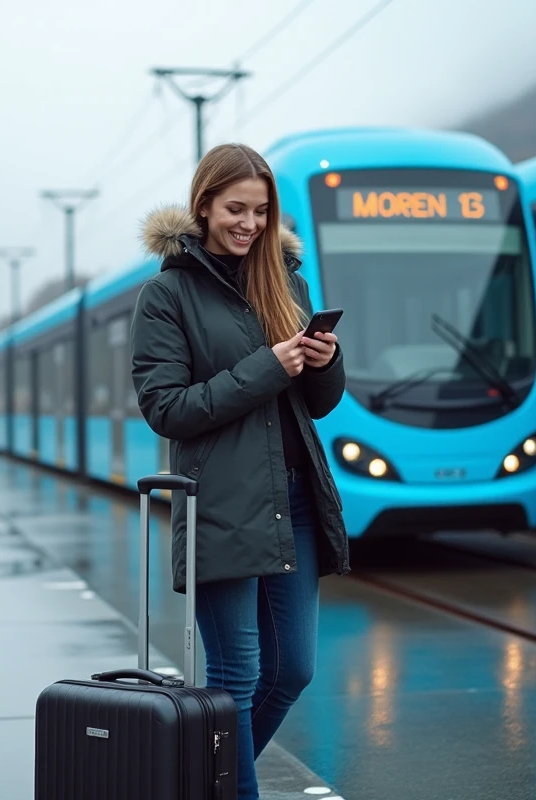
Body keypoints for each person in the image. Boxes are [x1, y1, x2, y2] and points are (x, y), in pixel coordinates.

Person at [130, 143, 350, 800]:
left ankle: (198, 783)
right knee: (238, 671)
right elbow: (165, 408)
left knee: (294, 670)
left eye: (259, 211)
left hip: (296, 499)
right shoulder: (167, 294)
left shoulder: (287, 283)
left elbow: (315, 403)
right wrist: (264, 369)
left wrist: (324, 359)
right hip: (220, 502)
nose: (249, 223)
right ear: (203, 206)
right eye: (235, 209)